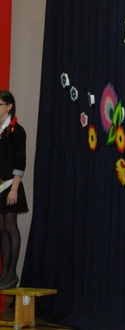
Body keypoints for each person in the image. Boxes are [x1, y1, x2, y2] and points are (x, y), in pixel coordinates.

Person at [0, 90, 28, 290]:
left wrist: (14, 189)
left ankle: (12, 273)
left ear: (9, 106)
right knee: (1, 229)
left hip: (11, 185)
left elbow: (20, 161)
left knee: (10, 226)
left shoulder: (17, 130)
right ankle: (4, 273)